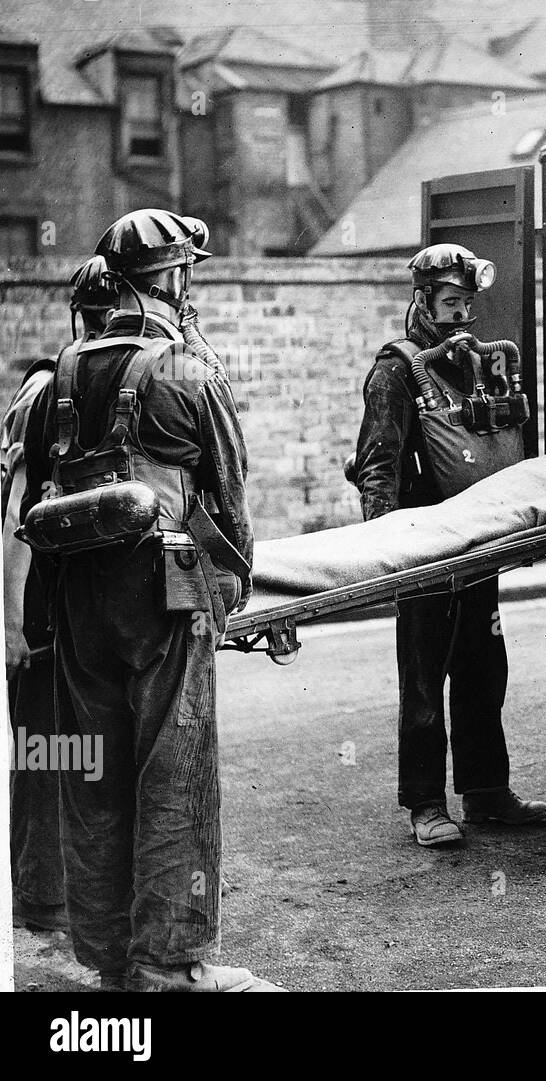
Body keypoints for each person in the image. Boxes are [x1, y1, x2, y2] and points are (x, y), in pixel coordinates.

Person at [21, 208, 277, 991]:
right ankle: (170, 963)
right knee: (177, 771)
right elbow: (230, 505)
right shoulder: (186, 371)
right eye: (185, 273)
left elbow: (37, 488)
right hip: (166, 588)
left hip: (76, 596)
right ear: (170, 278)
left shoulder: (56, 376)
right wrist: (235, 594)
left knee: (92, 771)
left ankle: (107, 960)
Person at [354, 242, 546, 848]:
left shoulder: (472, 364)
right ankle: (425, 803)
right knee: (423, 675)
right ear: (422, 302)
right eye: (450, 302)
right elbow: (377, 464)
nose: (462, 315)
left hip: (476, 543)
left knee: (484, 665)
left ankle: (487, 791)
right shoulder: (396, 370)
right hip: (423, 544)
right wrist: (388, 544)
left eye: (468, 303)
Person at [4, 256, 115, 939]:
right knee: (43, 750)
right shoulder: (50, 391)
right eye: (98, 315)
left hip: (75, 601)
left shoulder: (97, 385)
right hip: (37, 598)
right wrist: (13, 623)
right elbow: (18, 510)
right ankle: (40, 893)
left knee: (74, 749)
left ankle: (61, 885)